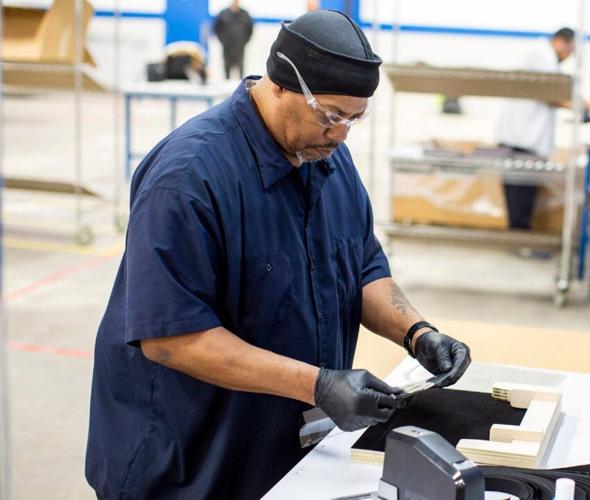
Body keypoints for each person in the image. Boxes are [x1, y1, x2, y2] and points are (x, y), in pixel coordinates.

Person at [85, 10, 471, 499]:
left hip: (280, 451)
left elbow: (362, 267)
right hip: (187, 461)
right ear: (282, 84)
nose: (341, 134)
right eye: (330, 115)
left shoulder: (327, 156)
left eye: (354, 118)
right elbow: (171, 338)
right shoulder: (188, 178)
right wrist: (318, 385)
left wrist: (417, 334)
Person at [494, 27, 590, 230]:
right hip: (521, 139)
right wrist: (585, 108)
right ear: (560, 42)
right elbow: (553, 93)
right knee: (519, 196)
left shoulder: (545, 57)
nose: (569, 55)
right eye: (570, 50)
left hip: (525, 138)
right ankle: (519, 238)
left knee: (522, 196)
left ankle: (520, 236)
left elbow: (562, 91)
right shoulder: (540, 55)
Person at [214, 0, 254, 80]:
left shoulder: (245, 14)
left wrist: (244, 41)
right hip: (227, 46)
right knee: (226, 66)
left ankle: (241, 82)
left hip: (240, 46)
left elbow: (250, 29)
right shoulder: (223, 14)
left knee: (240, 66)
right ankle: (226, 81)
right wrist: (223, 40)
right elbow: (217, 28)